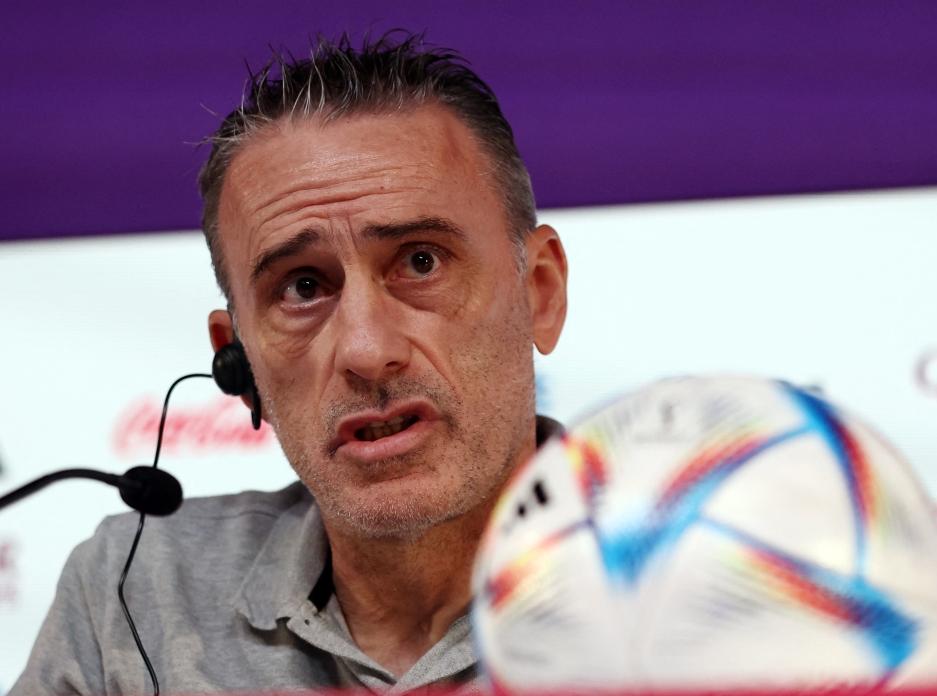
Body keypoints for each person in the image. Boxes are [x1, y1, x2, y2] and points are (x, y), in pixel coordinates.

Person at [11, 32, 568, 695]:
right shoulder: (135, 591)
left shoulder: (706, 579)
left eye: (421, 261)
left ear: (539, 292)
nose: (366, 350)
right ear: (236, 361)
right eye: (303, 287)